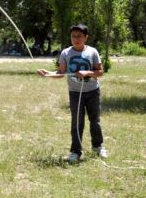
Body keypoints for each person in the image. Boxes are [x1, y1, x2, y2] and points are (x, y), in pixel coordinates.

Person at [37, 23, 106, 163]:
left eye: (79, 36)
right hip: (75, 93)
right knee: (77, 122)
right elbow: (61, 73)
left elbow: (100, 72)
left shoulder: (92, 52)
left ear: (86, 37)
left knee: (95, 121)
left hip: (92, 92)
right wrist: (47, 74)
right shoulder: (66, 53)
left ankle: (98, 147)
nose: (76, 39)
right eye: (73, 36)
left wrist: (87, 72)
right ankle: (75, 151)